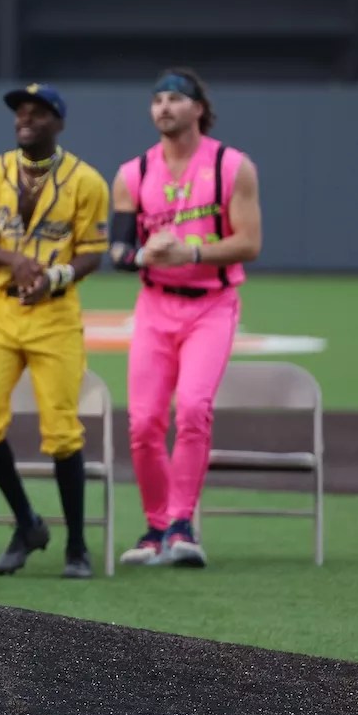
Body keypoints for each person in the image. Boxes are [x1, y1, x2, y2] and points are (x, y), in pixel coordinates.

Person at [109, 68, 262, 568]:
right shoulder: (134, 173)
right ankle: (154, 528)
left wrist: (191, 252)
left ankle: (181, 525)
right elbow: (118, 250)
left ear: (198, 108)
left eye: (175, 98)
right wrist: (144, 256)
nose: (163, 108)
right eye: (156, 100)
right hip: (155, 306)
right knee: (144, 423)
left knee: (193, 409)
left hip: (211, 304)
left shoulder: (231, 166)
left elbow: (249, 243)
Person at [0, 84, 109, 580]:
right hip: (1, 311)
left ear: (58, 123)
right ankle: (27, 521)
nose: (26, 118)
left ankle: (78, 546)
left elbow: (92, 251)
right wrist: (17, 260)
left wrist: (55, 276)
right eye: (21, 112)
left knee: (63, 432)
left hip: (55, 315)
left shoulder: (86, 181)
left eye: (38, 113)